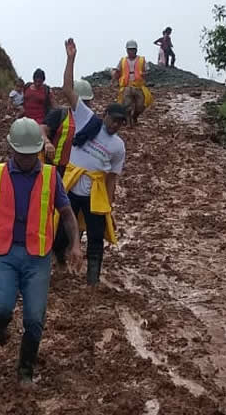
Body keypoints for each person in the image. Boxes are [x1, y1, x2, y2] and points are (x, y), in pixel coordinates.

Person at [0, 118, 82, 386]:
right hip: (4, 253)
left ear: (38, 150)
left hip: (38, 256)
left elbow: (66, 214)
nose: (28, 160)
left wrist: (75, 244)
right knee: (2, 308)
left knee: (34, 318)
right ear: (11, 149)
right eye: (22, 154)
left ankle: (25, 370)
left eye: (32, 154)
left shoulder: (51, 177)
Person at [53, 41, 127, 285]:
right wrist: (71, 59)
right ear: (104, 115)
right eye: (113, 119)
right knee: (62, 229)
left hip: (94, 193)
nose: (115, 125)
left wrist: (110, 205)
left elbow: (112, 178)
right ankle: (60, 260)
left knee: (96, 237)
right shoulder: (86, 118)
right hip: (71, 188)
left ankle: (93, 278)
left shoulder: (118, 146)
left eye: (120, 123)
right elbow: (66, 88)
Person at [40, 39, 94, 177]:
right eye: (83, 101)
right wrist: (47, 143)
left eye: (87, 102)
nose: (84, 105)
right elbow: (41, 129)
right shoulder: (60, 114)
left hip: (76, 173)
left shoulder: (91, 121)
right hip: (54, 169)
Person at [111, 40, 154, 126]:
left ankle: (135, 116)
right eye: (130, 49)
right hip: (127, 86)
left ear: (136, 50)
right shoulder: (123, 60)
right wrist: (114, 79)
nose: (131, 51)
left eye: (133, 49)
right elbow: (117, 71)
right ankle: (128, 122)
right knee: (126, 105)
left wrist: (146, 74)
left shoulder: (141, 60)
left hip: (138, 86)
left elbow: (148, 70)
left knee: (141, 105)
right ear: (127, 50)